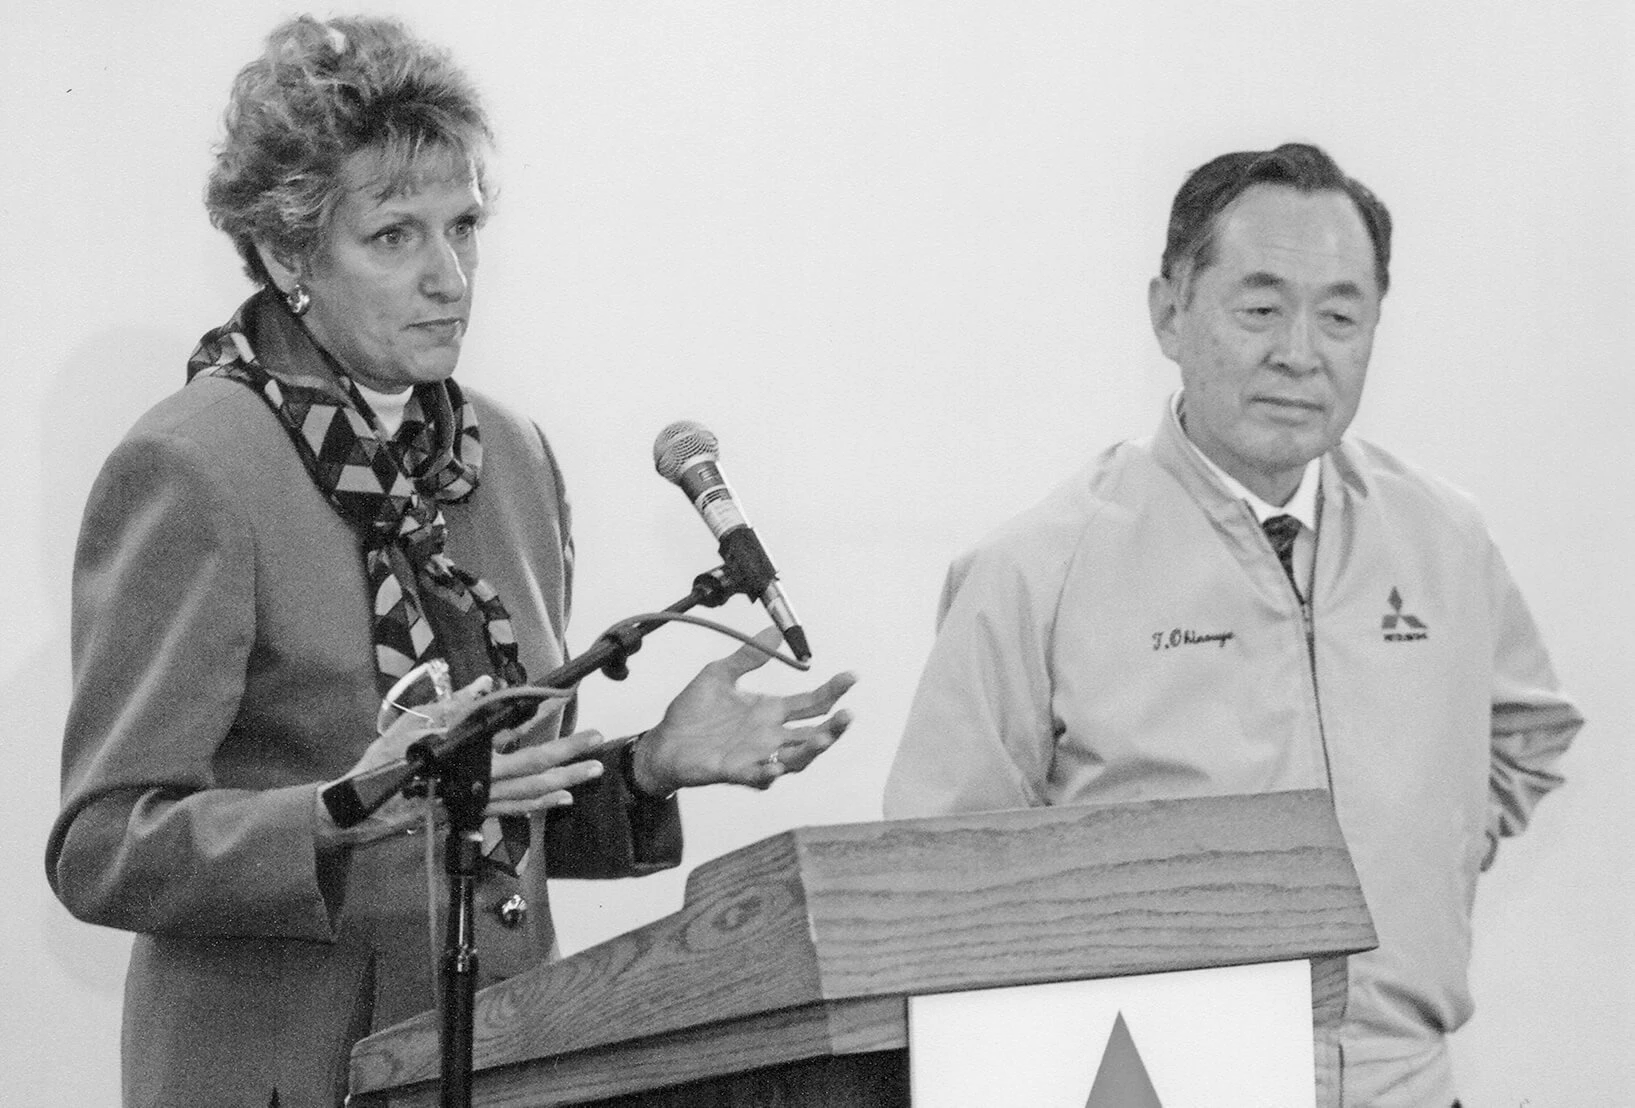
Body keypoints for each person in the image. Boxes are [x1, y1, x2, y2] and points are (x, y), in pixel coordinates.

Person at [44, 16, 854, 1108]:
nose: (449, 275)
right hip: (284, 1074)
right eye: (395, 236)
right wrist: (353, 802)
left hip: (505, 1052)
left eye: (464, 226)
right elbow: (104, 845)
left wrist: (650, 764)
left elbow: (486, 806)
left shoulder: (512, 459)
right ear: (289, 252)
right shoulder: (195, 466)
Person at [883, 143, 1582, 1107]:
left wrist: (1422, 848)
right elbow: (940, 868)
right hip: (1159, 1083)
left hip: (1404, 1082)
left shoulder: (1442, 538)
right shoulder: (1037, 566)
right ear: (1169, 314)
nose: (1299, 352)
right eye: (1259, 309)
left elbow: (1526, 738)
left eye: (1341, 315)